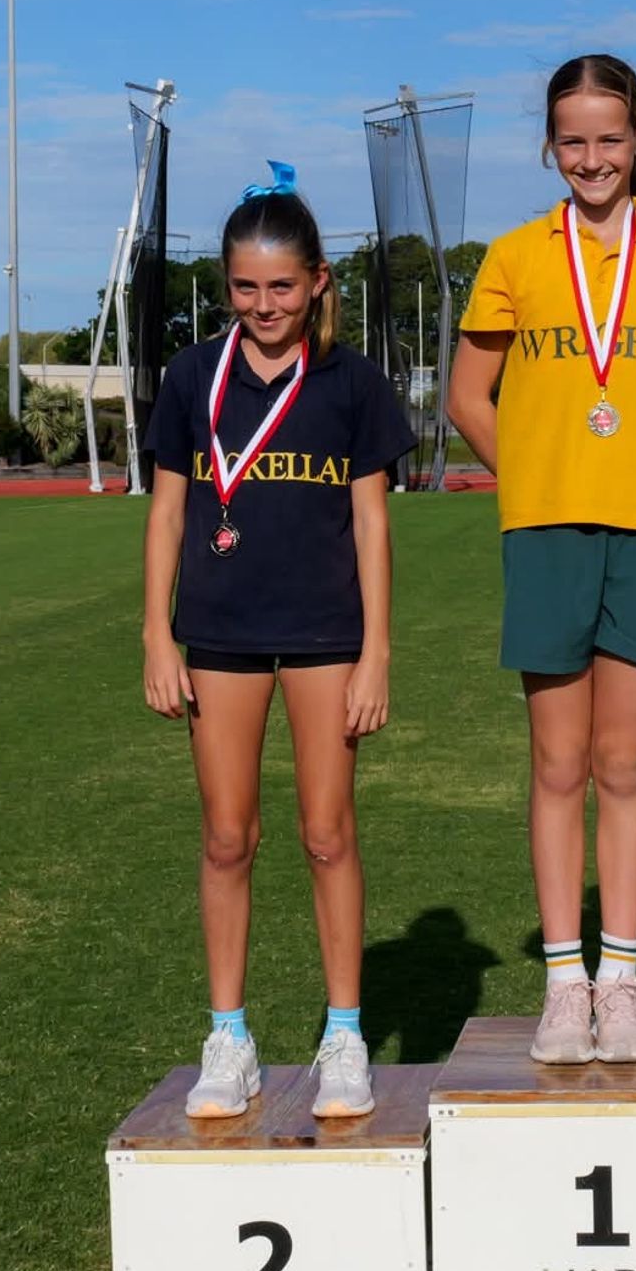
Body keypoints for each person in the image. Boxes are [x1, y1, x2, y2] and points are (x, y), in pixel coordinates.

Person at [446, 53, 636, 1065]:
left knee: (622, 762)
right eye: (572, 140)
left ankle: (620, 982)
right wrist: (537, 478)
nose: (591, 158)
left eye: (610, 138)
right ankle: (562, 984)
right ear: (549, 145)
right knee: (557, 762)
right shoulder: (515, 257)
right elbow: (466, 398)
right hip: (547, 533)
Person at [142, 165, 416, 1120]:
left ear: (318, 282)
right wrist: (157, 634)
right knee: (227, 837)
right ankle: (230, 1037)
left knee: (328, 834)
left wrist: (377, 652)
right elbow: (166, 513)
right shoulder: (191, 377)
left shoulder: (352, 383)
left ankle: (345, 1035)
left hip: (326, 636)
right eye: (246, 288)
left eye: (283, 287)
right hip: (217, 634)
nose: (264, 306)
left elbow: (373, 525)